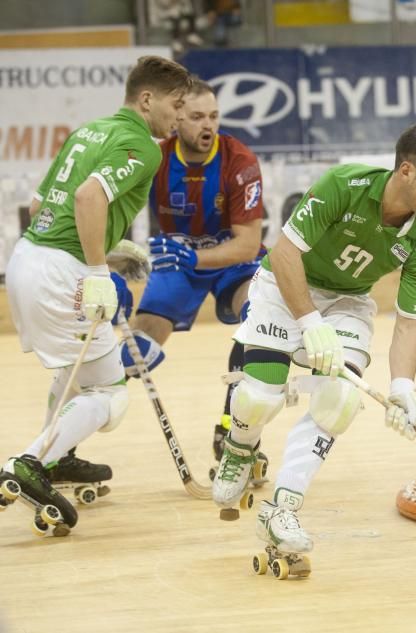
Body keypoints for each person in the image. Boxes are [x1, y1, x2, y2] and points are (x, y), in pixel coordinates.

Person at [212, 123, 416, 560]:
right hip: (283, 283)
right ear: (406, 171)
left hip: (348, 301)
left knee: (340, 401)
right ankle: (240, 447)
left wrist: (403, 386)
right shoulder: (343, 185)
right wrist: (308, 321)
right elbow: (286, 252)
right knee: (258, 399)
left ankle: (282, 508)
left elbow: (408, 323)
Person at [0, 56, 193, 532]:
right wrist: (93, 272)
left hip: (28, 259)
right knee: (108, 391)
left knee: (75, 373)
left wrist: (105, 249)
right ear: (146, 100)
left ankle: (58, 456)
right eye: (176, 104)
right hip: (60, 272)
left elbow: (41, 204)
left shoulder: (90, 131)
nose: (179, 117)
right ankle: (28, 464)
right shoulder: (144, 147)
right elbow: (90, 198)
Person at [121, 79, 268, 479]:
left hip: (232, 261)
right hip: (178, 260)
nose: (209, 126)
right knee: (133, 354)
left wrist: (195, 255)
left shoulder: (240, 160)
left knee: (260, 325)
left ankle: (232, 433)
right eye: (198, 117)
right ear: (177, 118)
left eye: (215, 116)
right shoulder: (156, 158)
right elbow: (112, 206)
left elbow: (247, 244)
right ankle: (64, 447)